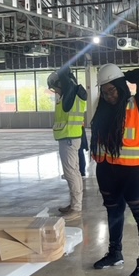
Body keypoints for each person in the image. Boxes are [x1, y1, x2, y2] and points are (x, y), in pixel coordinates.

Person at [90, 63, 139, 276]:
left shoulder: (137, 105)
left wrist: (121, 75)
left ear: (121, 85)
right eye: (105, 91)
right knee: (114, 213)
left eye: (113, 89)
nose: (109, 96)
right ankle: (114, 253)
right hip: (107, 170)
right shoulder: (102, 109)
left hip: (133, 173)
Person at [47, 67, 87, 221]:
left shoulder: (70, 95)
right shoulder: (71, 96)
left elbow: (67, 81)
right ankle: (74, 204)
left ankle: (76, 208)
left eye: (55, 87)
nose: (55, 91)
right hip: (69, 137)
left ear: (61, 84)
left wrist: (63, 71)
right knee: (74, 172)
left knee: (71, 173)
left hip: (69, 138)